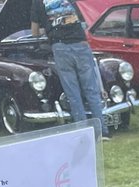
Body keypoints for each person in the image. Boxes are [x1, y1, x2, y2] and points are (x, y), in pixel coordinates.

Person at [30, 0, 109, 140]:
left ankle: (84, 134)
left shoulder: (37, 2)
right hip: (81, 43)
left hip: (61, 47)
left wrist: (47, 29)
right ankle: (101, 131)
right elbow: (82, 21)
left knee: (73, 93)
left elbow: (34, 32)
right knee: (91, 90)